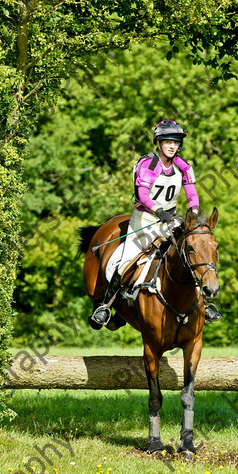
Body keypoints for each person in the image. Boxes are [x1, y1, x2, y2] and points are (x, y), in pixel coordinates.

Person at [91, 120, 221, 326]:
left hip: (171, 219)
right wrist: (159, 211)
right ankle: (105, 306)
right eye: (167, 141)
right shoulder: (148, 164)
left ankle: (204, 304)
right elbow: (142, 195)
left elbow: (192, 193)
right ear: (158, 143)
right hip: (145, 218)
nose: (172, 146)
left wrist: (193, 215)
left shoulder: (184, 166)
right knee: (125, 260)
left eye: (176, 142)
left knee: (188, 257)